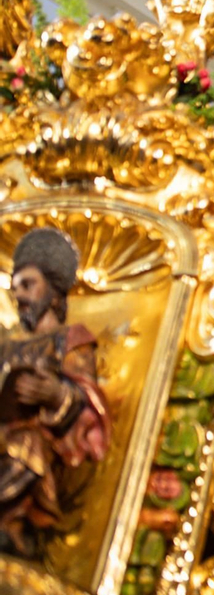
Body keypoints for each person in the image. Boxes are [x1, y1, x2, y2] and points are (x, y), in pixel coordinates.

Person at [0, 228, 108, 558]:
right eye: (15, 286)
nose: (18, 294)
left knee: (24, 445)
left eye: (28, 285)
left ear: (54, 290)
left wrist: (56, 394)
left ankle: (13, 526)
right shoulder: (5, 345)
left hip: (43, 441)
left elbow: (90, 397)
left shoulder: (71, 339)